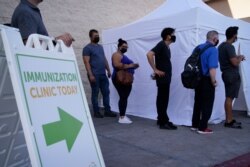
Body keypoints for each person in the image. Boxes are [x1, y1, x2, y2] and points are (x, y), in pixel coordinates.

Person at [146, 27, 177, 130]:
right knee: (162, 99)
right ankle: (163, 122)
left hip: (166, 78)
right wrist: (155, 69)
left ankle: (162, 119)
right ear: (168, 36)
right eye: (173, 34)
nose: (174, 36)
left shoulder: (167, 47)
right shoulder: (161, 44)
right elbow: (149, 54)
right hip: (162, 78)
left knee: (163, 98)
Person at [82, 29, 117, 118]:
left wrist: (108, 70)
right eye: (95, 36)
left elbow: (104, 59)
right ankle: (96, 112)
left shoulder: (100, 47)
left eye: (98, 35)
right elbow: (86, 62)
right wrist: (90, 75)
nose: (97, 37)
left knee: (106, 92)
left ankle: (107, 111)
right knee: (95, 93)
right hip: (94, 74)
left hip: (102, 74)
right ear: (90, 37)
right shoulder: (87, 48)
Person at [191, 31, 219, 134]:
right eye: (217, 38)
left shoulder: (198, 47)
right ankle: (202, 128)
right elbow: (212, 68)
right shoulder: (213, 50)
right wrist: (214, 81)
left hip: (197, 79)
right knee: (207, 104)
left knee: (197, 102)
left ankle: (195, 124)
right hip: (206, 80)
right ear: (214, 39)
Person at [218, 26, 245, 129]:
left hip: (226, 73)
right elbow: (234, 63)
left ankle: (229, 119)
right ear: (234, 35)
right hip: (231, 75)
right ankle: (229, 121)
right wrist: (240, 58)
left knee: (228, 97)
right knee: (229, 97)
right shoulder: (229, 47)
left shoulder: (221, 46)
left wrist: (237, 57)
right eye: (236, 34)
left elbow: (229, 59)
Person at [111, 38, 139, 124]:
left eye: (126, 47)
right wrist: (131, 65)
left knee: (124, 97)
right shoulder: (116, 55)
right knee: (123, 96)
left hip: (126, 79)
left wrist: (134, 66)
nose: (125, 48)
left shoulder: (123, 55)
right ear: (119, 47)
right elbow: (117, 65)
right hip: (120, 78)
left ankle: (122, 115)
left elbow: (127, 65)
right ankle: (122, 117)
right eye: (124, 46)